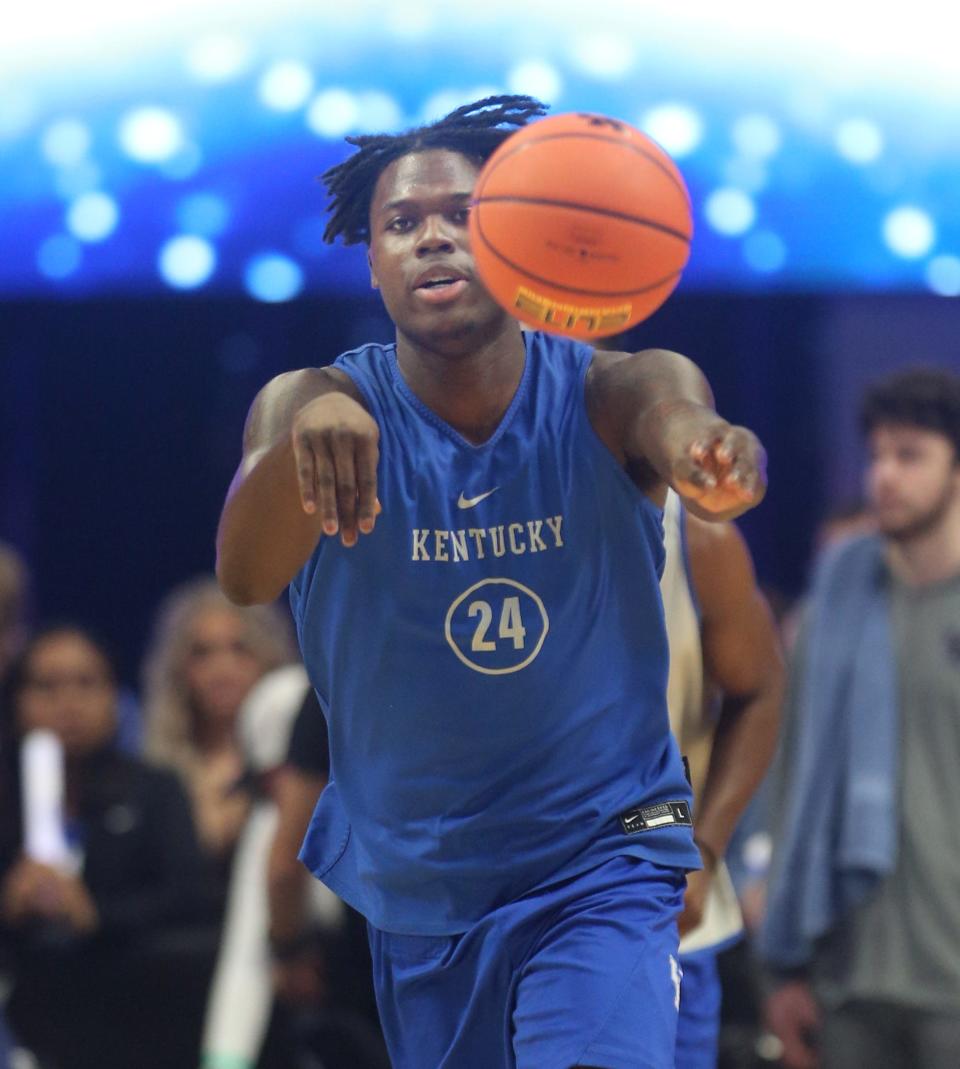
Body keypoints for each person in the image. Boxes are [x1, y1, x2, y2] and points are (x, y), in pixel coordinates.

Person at [216, 95, 767, 1069]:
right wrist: (302, 443)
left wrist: (705, 449)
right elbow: (246, 576)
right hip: (424, 882)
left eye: (463, 215)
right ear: (373, 260)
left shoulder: (607, 391)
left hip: (606, 854)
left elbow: (669, 410)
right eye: (402, 223)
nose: (433, 238)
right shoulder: (312, 401)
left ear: (521, 236)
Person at [760, 366, 960, 1069]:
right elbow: (794, 782)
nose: (885, 475)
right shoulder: (836, 602)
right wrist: (782, 967)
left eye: (910, 455)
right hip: (848, 973)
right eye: (877, 454)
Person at [0, 625, 209, 1069]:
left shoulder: (154, 790)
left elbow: (191, 895)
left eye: (86, 683)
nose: (68, 703)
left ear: (116, 697)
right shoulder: (5, 799)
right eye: (46, 686)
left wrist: (95, 914)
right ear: (16, 701)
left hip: (131, 1017)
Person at [659, 492, 783, 1068]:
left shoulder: (693, 535)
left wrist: (705, 848)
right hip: (500, 907)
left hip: (661, 903)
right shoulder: (466, 508)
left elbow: (760, 688)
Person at [141, 576, 296, 881]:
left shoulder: (295, 767)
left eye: (240, 649)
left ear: (269, 659)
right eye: (202, 653)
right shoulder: (154, 772)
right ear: (178, 669)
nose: (222, 669)